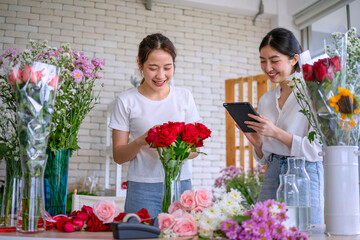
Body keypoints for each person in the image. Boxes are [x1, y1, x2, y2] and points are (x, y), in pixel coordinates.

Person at [108, 33, 201, 217]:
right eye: (152, 68)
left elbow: (196, 150)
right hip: (142, 188)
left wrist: (175, 148)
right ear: (139, 64)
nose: (161, 75)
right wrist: (140, 141)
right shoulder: (126, 101)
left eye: (168, 67)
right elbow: (118, 156)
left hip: (181, 184)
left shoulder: (184, 97)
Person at [243, 28, 324, 224]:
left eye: (274, 60)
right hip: (273, 171)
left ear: (294, 59)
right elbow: (265, 158)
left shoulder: (314, 93)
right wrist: (258, 144)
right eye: (263, 60)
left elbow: (316, 150)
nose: (268, 67)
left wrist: (276, 133)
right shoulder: (266, 99)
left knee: (306, 232)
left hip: (304, 171)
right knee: (264, 232)